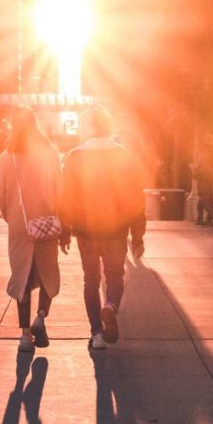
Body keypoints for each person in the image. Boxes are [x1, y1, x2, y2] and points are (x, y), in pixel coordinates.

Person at [58, 106, 146, 351]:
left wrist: (65, 230)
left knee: (91, 280)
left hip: (86, 230)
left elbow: (66, 198)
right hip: (116, 229)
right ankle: (111, 307)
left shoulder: (75, 156)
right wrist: (138, 235)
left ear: (87, 127)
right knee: (115, 276)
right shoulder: (123, 155)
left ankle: (97, 334)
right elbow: (136, 197)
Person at [0, 106, 63, 353]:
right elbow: (60, 187)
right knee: (48, 272)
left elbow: (1, 197)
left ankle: (25, 335)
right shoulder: (50, 152)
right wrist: (59, 217)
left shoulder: (6, 157)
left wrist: (12, 218)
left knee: (21, 276)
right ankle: (41, 318)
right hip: (47, 222)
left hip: (19, 226)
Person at [194, 132, 213, 226]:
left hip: (206, 182)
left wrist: (197, 173)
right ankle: (205, 220)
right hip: (210, 181)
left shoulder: (207, 156)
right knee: (204, 201)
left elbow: (205, 170)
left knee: (205, 201)